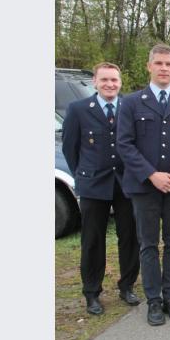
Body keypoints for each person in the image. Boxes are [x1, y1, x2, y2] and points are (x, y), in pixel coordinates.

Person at [117, 44, 170, 326]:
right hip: (145, 187)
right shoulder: (131, 102)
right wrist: (152, 175)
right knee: (149, 244)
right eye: (159, 63)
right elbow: (124, 144)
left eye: (169, 64)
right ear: (149, 66)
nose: (164, 68)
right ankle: (153, 301)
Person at [62, 62, 140, 315]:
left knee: (129, 237)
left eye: (114, 80)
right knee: (93, 241)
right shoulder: (78, 109)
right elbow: (70, 149)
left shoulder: (129, 107)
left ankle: (127, 286)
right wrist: (83, 176)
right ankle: (92, 293)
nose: (110, 85)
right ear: (95, 82)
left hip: (126, 183)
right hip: (94, 184)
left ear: (120, 83)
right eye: (105, 80)